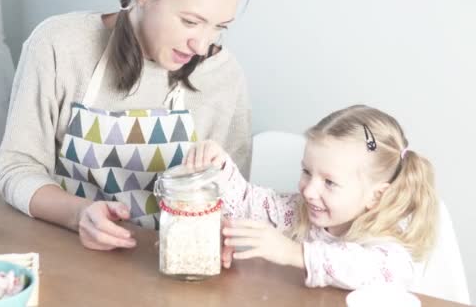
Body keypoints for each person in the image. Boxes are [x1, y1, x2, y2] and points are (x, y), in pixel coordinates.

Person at [0, 0, 251, 251]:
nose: (202, 46)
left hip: (170, 269)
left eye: (219, 27)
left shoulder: (223, 76)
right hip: (67, 257)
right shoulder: (59, 45)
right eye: (190, 22)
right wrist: (78, 213)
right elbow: (17, 167)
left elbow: (233, 202)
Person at [184, 105, 438, 289]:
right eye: (306, 171)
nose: (308, 190)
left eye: (329, 182)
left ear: (375, 196)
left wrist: (294, 253)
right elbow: (247, 203)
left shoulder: (388, 242)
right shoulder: (298, 211)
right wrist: (218, 165)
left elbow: (379, 271)